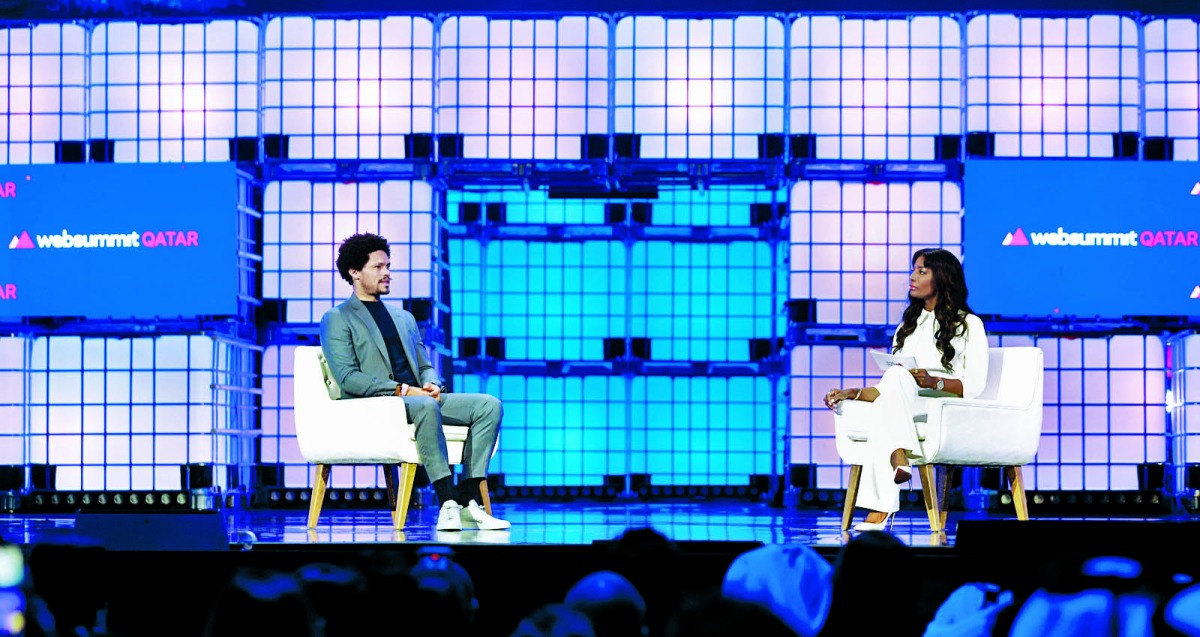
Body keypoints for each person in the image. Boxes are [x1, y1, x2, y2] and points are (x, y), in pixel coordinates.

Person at [320, 232, 509, 532]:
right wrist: (405, 390)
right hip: (379, 404)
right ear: (354, 273)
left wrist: (431, 384)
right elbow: (348, 378)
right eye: (378, 267)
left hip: (420, 398)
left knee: (488, 405)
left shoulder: (403, 317)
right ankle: (447, 502)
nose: (387, 273)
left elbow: (424, 365)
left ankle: (467, 499)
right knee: (425, 406)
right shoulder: (338, 318)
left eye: (388, 266)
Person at [822, 248, 988, 531]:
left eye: (922, 271)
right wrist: (854, 393)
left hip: (942, 404)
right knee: (897, 376)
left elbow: (975, 385)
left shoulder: (969, 325)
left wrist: (933, 382)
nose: (912, 277)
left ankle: (882, 502)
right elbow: (890, 389)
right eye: (913, 270)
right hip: (903, 401)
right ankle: (897, 455)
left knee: (894, 385)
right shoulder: (907, 326)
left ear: (943, 278)